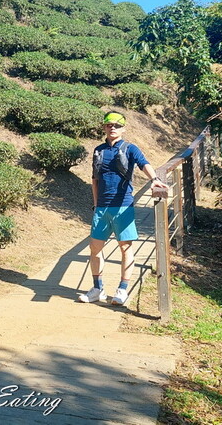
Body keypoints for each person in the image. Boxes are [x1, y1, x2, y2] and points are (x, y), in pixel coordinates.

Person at [77, 111, 166, 306]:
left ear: (123, 128)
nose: (113, 128)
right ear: (104, 127)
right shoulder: (98, 150)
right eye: (109, 124)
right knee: (95, 248)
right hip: (102, 207)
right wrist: (95, 203)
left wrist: (155, 180)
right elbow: (94, 180)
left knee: (125, 248)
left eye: (117, 125)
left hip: (123, 206)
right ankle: (97, 289)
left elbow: (144, 164)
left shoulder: (130, 149)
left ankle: (122, 289)